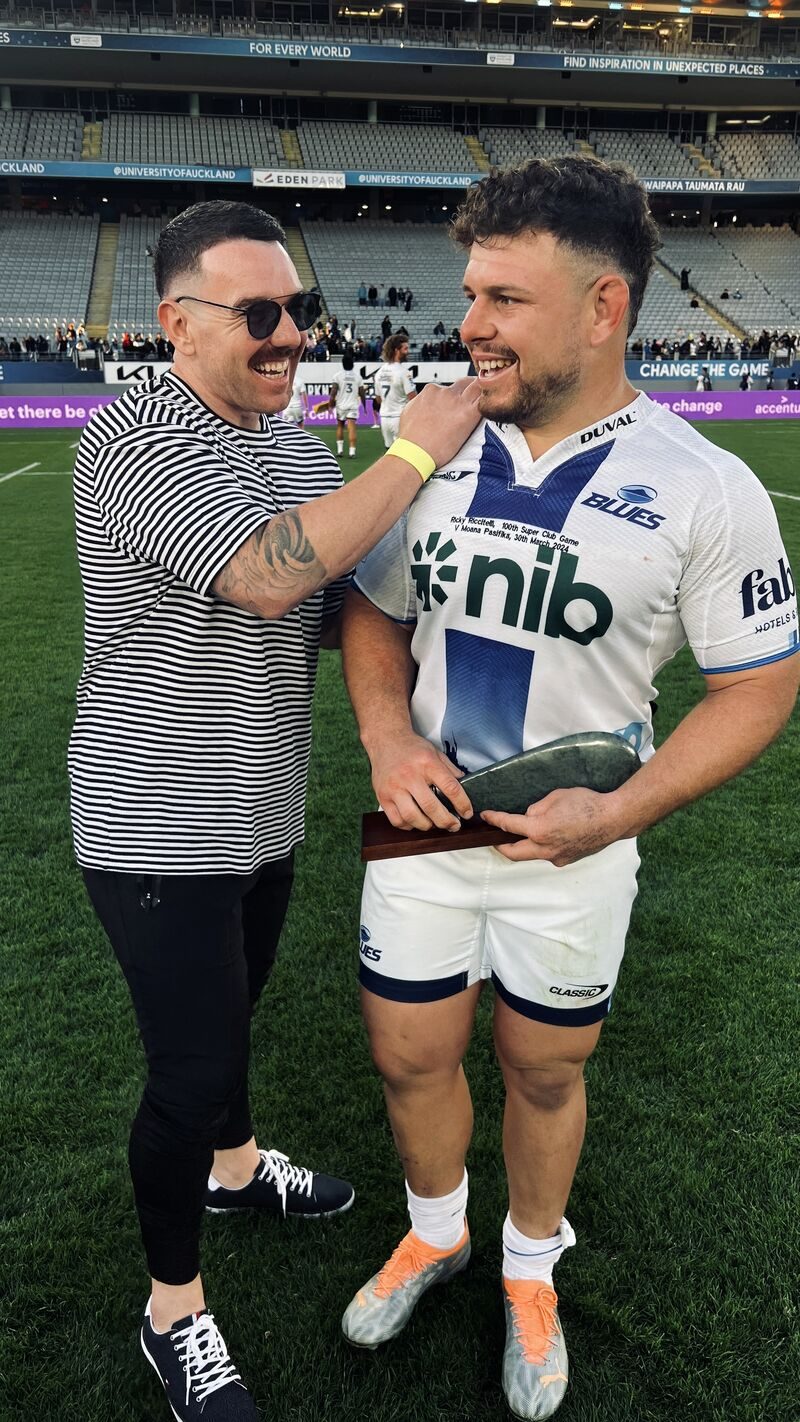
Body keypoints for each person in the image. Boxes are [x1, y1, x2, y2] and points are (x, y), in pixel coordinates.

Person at [338, 157, 799, 1421]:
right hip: (417, 833)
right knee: (407, 1051)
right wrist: (386, 740)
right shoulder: (428, 448)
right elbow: (372, 617)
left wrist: (619, 811)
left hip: (579, 847)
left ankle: (528, 1266)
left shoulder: (706, 486)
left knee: (544, 1068)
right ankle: (436, 1234)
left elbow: (756, 687)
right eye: (468, 289)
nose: (468, 323)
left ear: (603, 308)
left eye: (502, 296)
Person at [70, 199, 481, 1422]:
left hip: (261, 809)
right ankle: (171, 1312)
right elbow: (264, 577)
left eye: (297, 310)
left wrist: (389, 715)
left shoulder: (297, 447)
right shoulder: (127, 436)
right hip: (154, 822)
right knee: (188, 1067)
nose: (289, 335)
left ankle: (237, 1173)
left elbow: (351, 584)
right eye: (258, 314)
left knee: (234, 1019)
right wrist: (409, 454)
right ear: (175, 322)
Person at [374, 333, 417, 449]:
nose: (407, 352)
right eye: (405, 348)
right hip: (399, 417)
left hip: (384, 417)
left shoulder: (379, 373)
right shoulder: (404, 372)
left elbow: (378, 399)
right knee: (404, 453)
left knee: (388, 452)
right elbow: (413, 398)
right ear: (396, 350)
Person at [327, 349, 366, 458]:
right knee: (352, 427)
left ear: (343, 364)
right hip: (353, 405)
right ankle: (352, 452)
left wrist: (330, 404)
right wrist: (365, 405)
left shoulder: (337, 376)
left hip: (341, 405)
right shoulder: (358, 377)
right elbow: (362, 393)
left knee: (340, 426)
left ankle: (340, 451)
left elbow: (333, 392)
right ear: (352, 365)